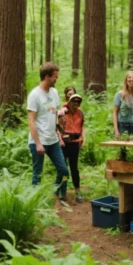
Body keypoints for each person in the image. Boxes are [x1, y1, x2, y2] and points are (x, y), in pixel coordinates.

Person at [28, 62, 70, 206]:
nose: (56, 79)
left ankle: (56, 193)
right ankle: (35, 204)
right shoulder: (34, 95)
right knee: (37, 174)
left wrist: (60, 116)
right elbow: (31, 121)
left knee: (64, 170)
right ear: (47, 77)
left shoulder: (54, 92)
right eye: (55, 77)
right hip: (38, 141)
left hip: (53, 140)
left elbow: (53, 112)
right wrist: (38, 143)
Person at [58, 91, 86, 203]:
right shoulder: (63, 112)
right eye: (73, 101)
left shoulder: (80, 113)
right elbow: (58, 127)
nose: (76, 104)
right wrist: (60, 140)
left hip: (75, 143)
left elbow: (83, 127)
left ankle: (77, 192)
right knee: (64, 169)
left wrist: (83, 139)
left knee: (74, 168)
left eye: (78, 102)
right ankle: (62, 192)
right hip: (64, 144)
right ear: (69, 102)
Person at [113, 71, 133, 138]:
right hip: (122, 125)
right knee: (123, 148)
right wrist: (116, 130)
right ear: (126, 80)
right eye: (129, 77)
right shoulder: (119, 94)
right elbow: (115, 113)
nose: (131, 80)